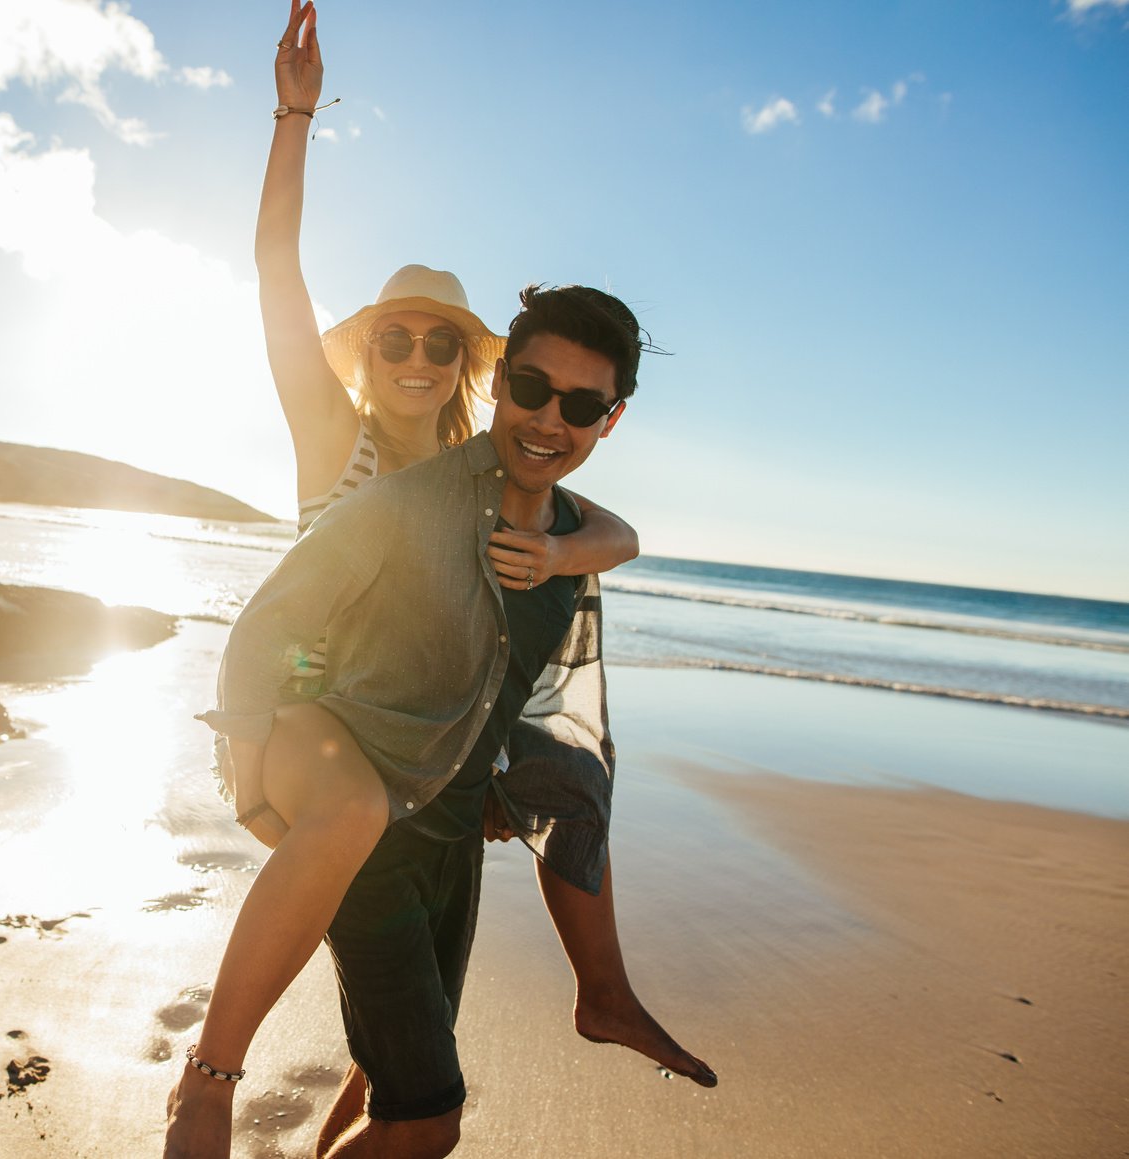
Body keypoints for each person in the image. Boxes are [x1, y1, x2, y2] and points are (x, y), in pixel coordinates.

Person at [162, 5, 711, 1157]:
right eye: (396, 339)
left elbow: (602, 532)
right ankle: (209, 1077)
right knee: (424, 1094)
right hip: (327, 724)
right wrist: (294, 116)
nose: (416, 359)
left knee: (394, 1072)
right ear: (369, 352)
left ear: (471, 363)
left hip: (437, 773)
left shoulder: (494, 476)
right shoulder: (333, 435)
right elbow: (273, 268)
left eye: (439, 344)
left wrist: (565, 554)